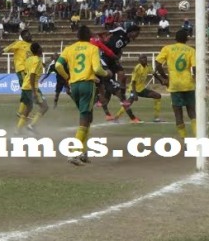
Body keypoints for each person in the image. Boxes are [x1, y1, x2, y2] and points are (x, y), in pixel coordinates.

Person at [56, 25, 111, 166]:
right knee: (85, 119)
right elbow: (97, 68)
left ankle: (83, 152)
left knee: (87, 117)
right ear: (89, 36)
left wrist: (67, 77)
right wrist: (106, 73)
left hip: (74, 86)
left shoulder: (69, 49)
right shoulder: (92, 48)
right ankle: (74, 152)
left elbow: (58, 66)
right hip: (87, 85)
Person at [154, 29, 196, 140]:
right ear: (187, 39)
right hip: (188, 84)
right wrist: (195, 79)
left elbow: (157, 64)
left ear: (175, 39)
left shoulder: (167, 48)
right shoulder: (191, 50)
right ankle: (197, 138)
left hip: (174, 84)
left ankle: (185, 139)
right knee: (192, 112)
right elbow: (195, 67)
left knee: (178, 114)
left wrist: (165, 77)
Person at [115, 54, 164, 123]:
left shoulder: (148, 66)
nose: (144, 59)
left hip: (141, 89)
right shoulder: (137, 68)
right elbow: (133, 82)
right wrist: (135, 93)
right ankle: (116, 117)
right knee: (128, 103)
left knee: (158, 96)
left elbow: (154, 74)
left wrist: (161, 81)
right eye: (142, 58)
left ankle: (156, 118)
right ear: (139, 60)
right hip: (133, 89)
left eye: (145, 58)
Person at [16, 43, 49, 135]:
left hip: (25, 87)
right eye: (40, 48)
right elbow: (32, 75)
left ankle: (18, 130)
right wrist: (34, 91)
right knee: (44, 107)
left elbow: (29, 71)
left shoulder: (29, 59)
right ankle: (32, 126)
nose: (42, 50)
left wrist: (46, 62)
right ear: (38, 50)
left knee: (28, 108)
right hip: (32, 87)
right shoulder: (37, 61)